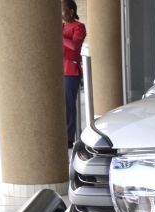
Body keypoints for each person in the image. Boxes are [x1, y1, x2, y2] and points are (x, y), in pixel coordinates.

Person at [62, 1, 86, 148]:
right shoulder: (63, 27)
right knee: (61, 106)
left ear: (71, 12)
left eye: (63, 10)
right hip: (59, 71)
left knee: (70, 106)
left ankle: (69, 137)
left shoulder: (79, 27)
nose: (61, 14)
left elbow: (75, 46)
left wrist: (60, 36)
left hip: (71, 72)